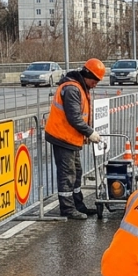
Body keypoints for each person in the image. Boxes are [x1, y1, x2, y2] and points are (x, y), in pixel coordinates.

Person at [45, 58, 106, 219]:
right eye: (95, 80)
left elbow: (81, 115)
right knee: (67, 174)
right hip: (62, 137)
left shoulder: (80, 87)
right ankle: (67, 209)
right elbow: (74, 118)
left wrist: (85, 133)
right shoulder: (72, 89)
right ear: (88, 75)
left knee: (76, 172)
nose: (96, 84)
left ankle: (78, 205)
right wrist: (89, 133)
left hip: (70, 138)